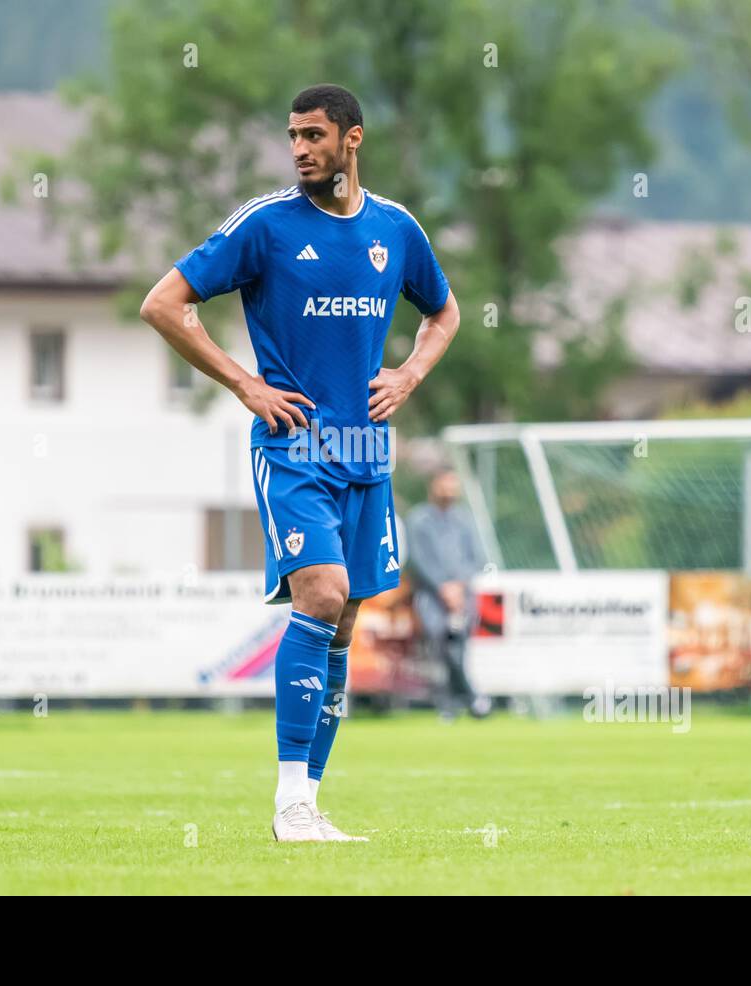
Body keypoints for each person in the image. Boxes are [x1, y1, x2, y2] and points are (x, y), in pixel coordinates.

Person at [139, 84, 460, 842]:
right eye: (292, 136)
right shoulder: (266, 226)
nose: (299, 148)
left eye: (314, 135)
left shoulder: (396, 230)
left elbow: (444, 312)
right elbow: (163, 303)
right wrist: (247, 384)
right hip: (295, 451)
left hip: (367, 459)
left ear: (353, 139)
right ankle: (287, 805)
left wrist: (409, 374)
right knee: (321, 594)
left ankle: (309, 804)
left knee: (345, 620)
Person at [406, 467, 491, 721]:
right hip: (432, 597)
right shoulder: (418, 519)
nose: (449, 491)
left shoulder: (465, 519)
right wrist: (442, 587)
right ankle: (470, 699)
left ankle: (457, 702)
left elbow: (477, 558)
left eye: (453, 485)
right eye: (445, 485)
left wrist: (458, 587)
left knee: (460, 649)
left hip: (463, 596)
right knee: (441, 647)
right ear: (433, 486)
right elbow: (418, 560)